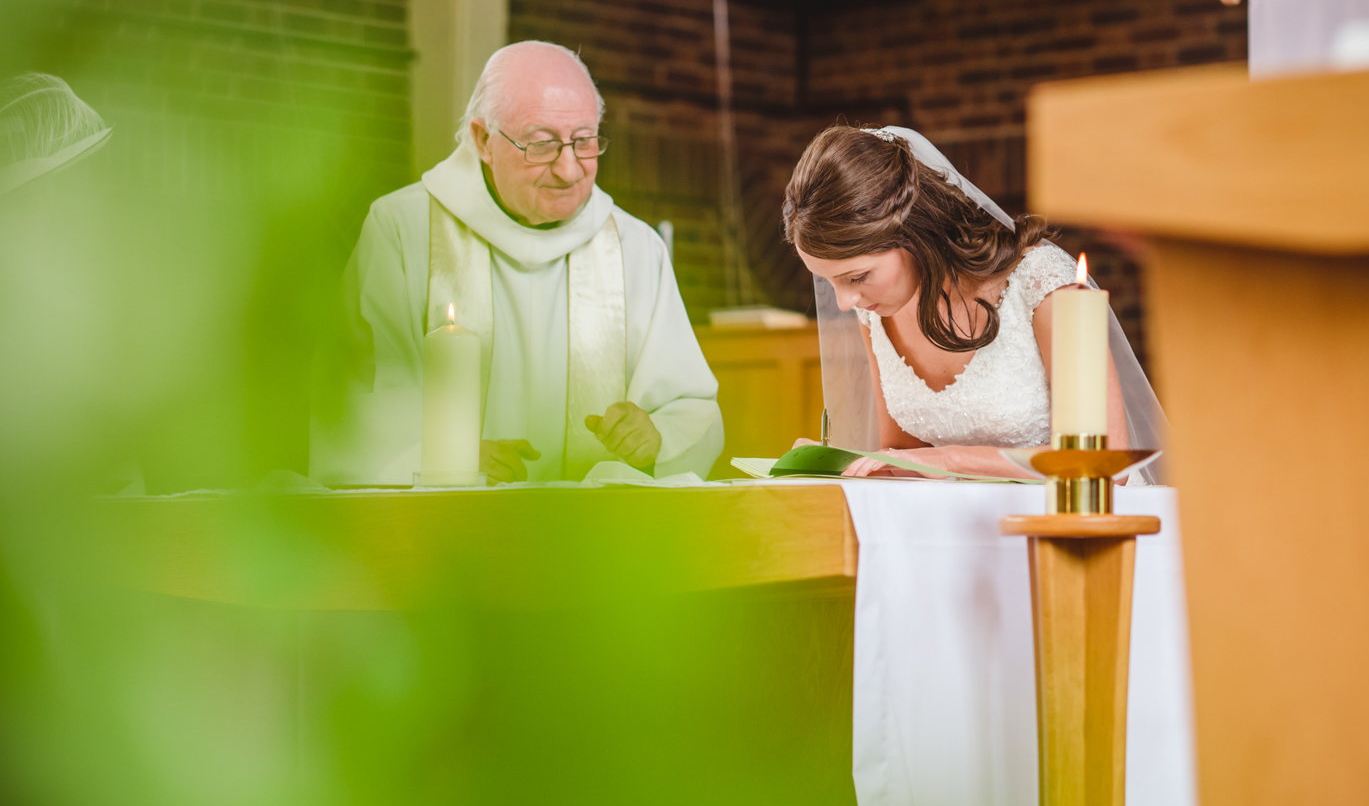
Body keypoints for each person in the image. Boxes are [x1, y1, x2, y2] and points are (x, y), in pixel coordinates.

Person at [311, 42, 722, 485]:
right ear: (483, 140)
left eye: (584, 141)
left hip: (598, 534)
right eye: (542, 144)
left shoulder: (635, 247)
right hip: (449, 534)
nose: (569, 169)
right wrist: (443, 456)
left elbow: (689, 406)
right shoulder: (403, 229)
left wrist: (657, 437)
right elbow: (355, 399)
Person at [783, 125, 1164, 480]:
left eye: (857, 277)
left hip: (1077, 521)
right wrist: (837, 464)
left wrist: (951, 459)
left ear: (913, 231)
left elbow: (1106, 463)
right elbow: (904, 458)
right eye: (829, 281)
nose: (846, 301)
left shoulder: (1039, 283)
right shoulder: (877, 314)